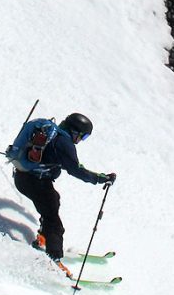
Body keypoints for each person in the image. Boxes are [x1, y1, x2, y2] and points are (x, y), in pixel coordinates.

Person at [10, 112, 116, 274]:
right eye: (83, 137)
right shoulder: (64, 143)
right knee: (54, 223)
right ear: (75, 132)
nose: (81, 140)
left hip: (23, 177)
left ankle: (44, 239)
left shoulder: (51, 133)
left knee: (53, 201)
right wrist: (100, 178)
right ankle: (54, 259)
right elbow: (76, 170)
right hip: (35, 182)